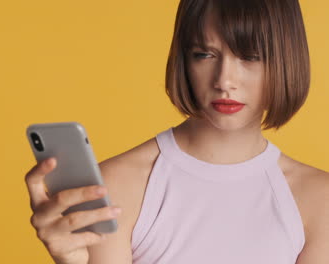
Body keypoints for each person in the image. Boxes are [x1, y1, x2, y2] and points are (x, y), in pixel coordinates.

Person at [24, 0, 329, 263]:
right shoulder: (116, 186)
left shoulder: (318, 199)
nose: (224, 80)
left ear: (287, 60)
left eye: (250, 57)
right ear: (183, 60)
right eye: (204, 54)